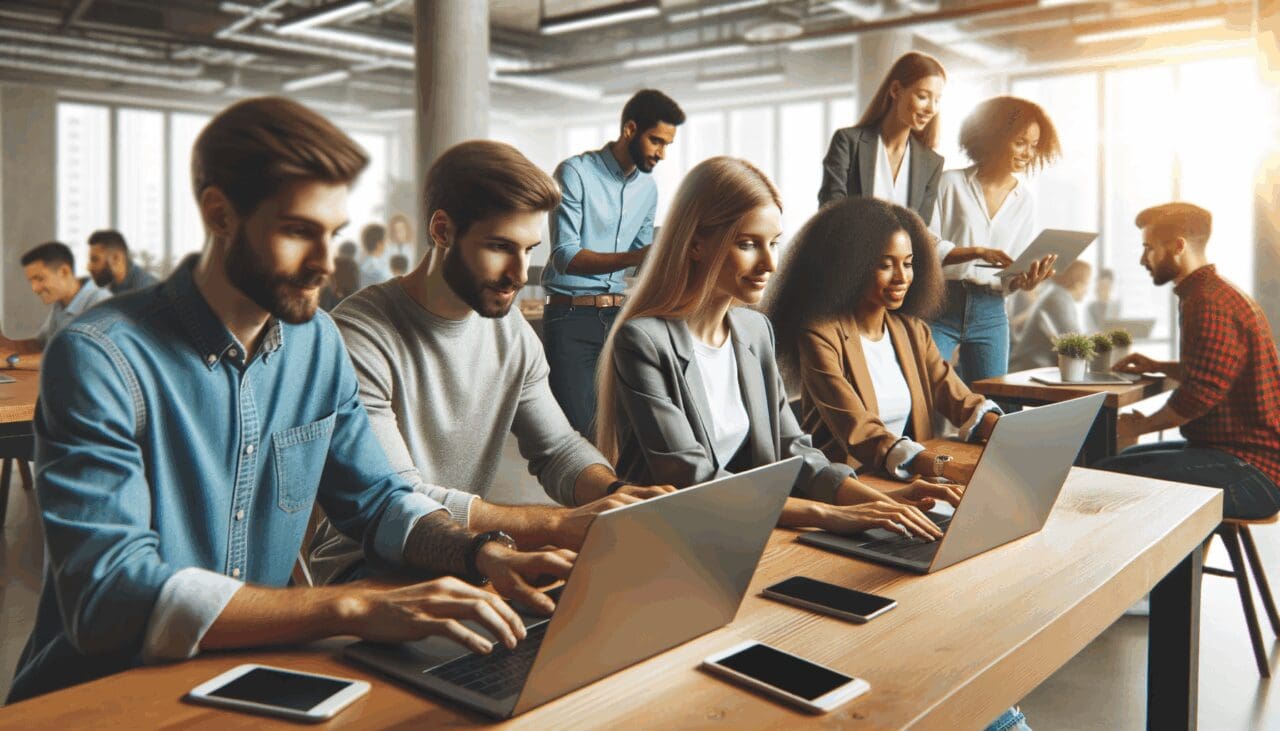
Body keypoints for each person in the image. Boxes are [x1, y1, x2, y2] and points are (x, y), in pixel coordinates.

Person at [7, 97, 571, 703]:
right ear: (219, 214)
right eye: (299, 232)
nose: (325, 265)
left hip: (249, 681)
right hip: (97, 695)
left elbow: (379, 501)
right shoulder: (97, 356)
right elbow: (110, 595)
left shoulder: (318, 341)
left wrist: (480, 552)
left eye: (332, 234)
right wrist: (354, 606)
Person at [309, 140, 673, 586]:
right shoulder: (358, 335)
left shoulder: (511, 331)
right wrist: (557, 525)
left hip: (472, 558)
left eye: (528, 250)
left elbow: (558, 449)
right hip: (367, 571)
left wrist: (616, 496)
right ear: (442, 230)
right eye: (501, 247)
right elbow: (403, 499)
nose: (520, 274)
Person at [597, 156, 962, 542]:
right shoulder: (643, 341)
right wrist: (830, 515)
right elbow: (695, 481)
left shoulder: (754, 330)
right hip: (667, 541)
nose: (769, 263)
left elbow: (796, 451)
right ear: (696, 245)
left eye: (773, 243)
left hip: (744, 531)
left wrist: (884, 500)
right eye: (748, 244)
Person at [766, 197, 1002, 484]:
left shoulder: (912, 330)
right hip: (852, 488)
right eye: (885, 265)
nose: (902, 277)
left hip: (911, 481)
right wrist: (945, 467)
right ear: (852, 268)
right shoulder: (820, 335)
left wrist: (1005, 431)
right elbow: (859, 431)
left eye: (908, 263)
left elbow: (959, 400)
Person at [1101, 203, 1280, 519]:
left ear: (1178, 246)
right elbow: (1218, 372)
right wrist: (1160, 366)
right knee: (1119, 463)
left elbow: (1199, 394)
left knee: (1105, 477)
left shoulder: (1207, 303)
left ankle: (1166, 567)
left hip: (1253, 472)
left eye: (1149, 248)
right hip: (1239, 457)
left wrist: (1140, 425)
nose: (1143, 260)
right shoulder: (1213, 293)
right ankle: (1178, 565)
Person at [542, 89, 685, 437]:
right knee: (585, 431)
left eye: (667, 145)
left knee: (627, 432)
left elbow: (638, 266)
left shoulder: (648, 189)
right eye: (656, 141)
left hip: (620, 318)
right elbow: (566, 257)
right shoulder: (574, 173)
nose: (661, 153)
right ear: (630, 129)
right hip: (571, 319)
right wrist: (640, 256)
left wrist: (675, 253)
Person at [817, 53, 1012, 276]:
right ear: (896, 90)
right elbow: (830, 213)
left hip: (899, 283)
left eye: (937, 100)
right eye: (923, 96)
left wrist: (977, 251)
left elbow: (920, 233)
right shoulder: (849, 142)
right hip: (847, 274)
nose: (931, 108)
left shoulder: (931, 163)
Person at [929, 97, 1060, 382]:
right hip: (941, 304)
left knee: (995, 402)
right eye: (1020, 142)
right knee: (921, 395)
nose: (1028, 153)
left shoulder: (1024, 200)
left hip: (991, 311)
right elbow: (927, 244)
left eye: (1034, 145)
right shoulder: (949, 183)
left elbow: (1010, 274)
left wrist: (1025, 281)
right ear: (996, 137)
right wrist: (976, 252)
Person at [0, 241, 111, 356]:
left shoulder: (101, 302)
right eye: (31, 281)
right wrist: (5, 342)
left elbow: (77, 357)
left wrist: (12, 361)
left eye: (39, 279)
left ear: (64, 272)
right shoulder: (61, 302)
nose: (34, 288)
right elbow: (41, 345)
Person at [1008, 260, 1092, 371]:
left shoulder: (1057, 294)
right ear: (1078, 283)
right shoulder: (1059, 298)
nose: (1087, 291)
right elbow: (1077, 343)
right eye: (1086, 284)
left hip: (1034, 366)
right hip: (1029, 368)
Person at [86, 229, 160, 295]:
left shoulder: (144, 290)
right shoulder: (114, 285)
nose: (89, 267)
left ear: (116, 258)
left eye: (95, 260)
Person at [358, 222, 391, 288]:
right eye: (385, 240)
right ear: (379, 244)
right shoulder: (372, 267)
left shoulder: (368, 262)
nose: (387, 244)